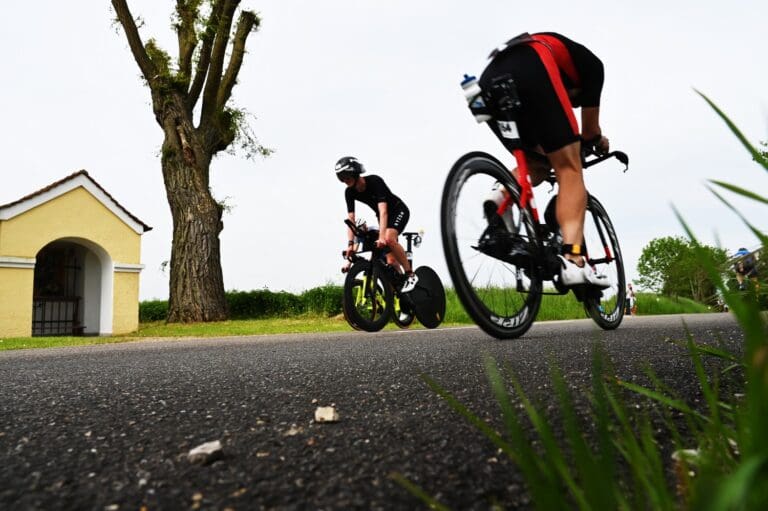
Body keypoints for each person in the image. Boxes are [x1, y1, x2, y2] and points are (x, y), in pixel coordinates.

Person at [468, 32, 610, 288]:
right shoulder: (592, 67)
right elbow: (589, 132)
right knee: (569, 168)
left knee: (536, 164)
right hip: (533, 65)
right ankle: (574, 260)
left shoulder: (554, 49)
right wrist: (599, 141)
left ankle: (501, 195)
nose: (572, 104)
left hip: (486, 84)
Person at [336, 156, 418, 293]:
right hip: (382, 216)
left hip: (398, 210)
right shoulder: (349, 192)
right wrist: (350, 245)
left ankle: (410, 274)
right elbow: (351, 219)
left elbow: (383, 210)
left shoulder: (375, 181)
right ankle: (400, 298)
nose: (345, 180)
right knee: (391, 262)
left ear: (355, 172)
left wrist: (381, 237)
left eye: (346, 175)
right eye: (341, 177)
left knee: (388, 239)